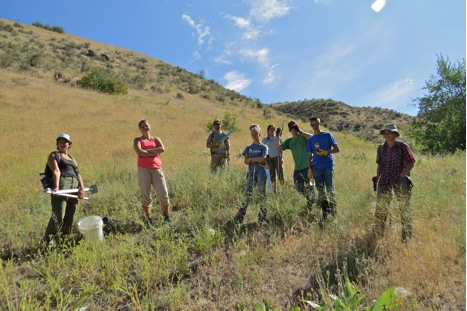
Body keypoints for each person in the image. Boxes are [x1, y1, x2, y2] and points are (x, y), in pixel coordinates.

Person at [373, 123, 415, 242]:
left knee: (403, 208)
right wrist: (378, 179)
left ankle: (406, 236)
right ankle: (378, 233)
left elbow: (411, 162)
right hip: (384, 180)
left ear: (395, 134)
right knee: (381, 208)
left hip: (400, 181)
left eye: (388, 132)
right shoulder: (381, 148)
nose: (386, 134)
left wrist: (402, 175)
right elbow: (379, 165)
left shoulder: (402, 146)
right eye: (384, 132)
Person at [44, 133, 86, 245]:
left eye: (65, 142)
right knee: (58, 215)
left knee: (70, 215)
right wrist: (56, 188)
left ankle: (62, 243)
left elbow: (78, 174)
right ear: (57, 144)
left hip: (74, 185)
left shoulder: (72, 158)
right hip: (63, 183)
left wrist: (82, 188)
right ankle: (48, 244)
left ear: (69, 144)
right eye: (60, 142)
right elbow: (56, 171)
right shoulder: (54, 155)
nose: (62, 144)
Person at [133, 119, 171, 224]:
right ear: (140, 129)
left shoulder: (156, 139)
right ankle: (148, 218)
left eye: (147, 125)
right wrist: (154, 152)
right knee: (146, 193)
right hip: (143, 169)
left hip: (157, 168)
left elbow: (162, 149)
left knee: (163, 192)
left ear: (150, 126)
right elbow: (139, 152)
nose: (146, 128)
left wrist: (147, 152)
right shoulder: (137, 140)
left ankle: (166, 215)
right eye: (143, 126)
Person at [306, 117, 340, 221]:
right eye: (313, 125)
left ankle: (334, 214)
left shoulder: (327, 135)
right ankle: (325, 215)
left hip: (328, 166)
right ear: (310, 125)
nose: (315, 127)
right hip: (316, 168)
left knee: (330, 190)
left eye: (316, 124)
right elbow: (309, 156)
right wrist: (309, 169)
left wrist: (326, 152)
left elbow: (337, 149)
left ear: (320, 123)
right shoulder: (310, 140)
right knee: (321, 192)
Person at [234, 124, 269, 223]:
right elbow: (245, 161)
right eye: (252, 134)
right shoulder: (248, 147)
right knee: (247, 193)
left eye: (255, 134)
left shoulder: (264, 147)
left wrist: (252, 159)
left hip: (261, 172)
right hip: (251, 172)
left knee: (262, 193)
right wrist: (256, 160)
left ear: (259, 134)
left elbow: (263, 159)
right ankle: (241, 215)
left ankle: (262, 215)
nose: (253, 135)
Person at [278, 121, 314, 209]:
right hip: (297, 169)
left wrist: (301, 131)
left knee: (311, 187)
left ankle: (311, 206)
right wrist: (277, 137)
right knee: (298, 187)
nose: (294, 130)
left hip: (309, 167)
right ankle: (311, 199)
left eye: (295, 128)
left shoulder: (303, 137)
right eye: (293, 128)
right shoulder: (289, 141)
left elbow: (312, 138)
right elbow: (279, 148)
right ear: (290, 130)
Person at [262, 124, 284, 193]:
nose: (272, 131)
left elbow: (281, 149)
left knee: (280, 174)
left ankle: (283, 189)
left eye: (273, 129)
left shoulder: (278, 138)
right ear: (268, 130)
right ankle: (274, 190)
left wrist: (281, 158)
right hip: (269, 159)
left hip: (277, 158)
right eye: (271, 129)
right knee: (272, 175)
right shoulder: (265, 139)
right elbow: (263, 149)